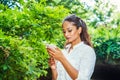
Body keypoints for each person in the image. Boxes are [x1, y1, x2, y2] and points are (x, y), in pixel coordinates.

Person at [47, 14, 96, 80]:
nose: (66, 34)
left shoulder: (87, 51)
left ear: (79, 30)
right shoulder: (64, 51)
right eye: (64, 32)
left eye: (69, 30)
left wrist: (62, 59)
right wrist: (54, 68)